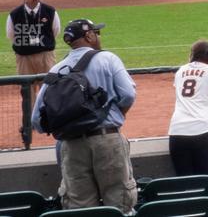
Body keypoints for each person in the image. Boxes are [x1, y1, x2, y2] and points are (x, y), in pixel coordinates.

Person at [31, 19, 137, 212]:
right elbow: (128, 94)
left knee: (81, 209)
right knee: (119, 205)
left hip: (71, 147)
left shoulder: (56, 70)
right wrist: (116, 114)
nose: (98, 36)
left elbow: (36, 120)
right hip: (107, 139)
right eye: (96, 32)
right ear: (88, 36)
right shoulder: (108, 59)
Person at [168, 40, 208, 176]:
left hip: (176, 131)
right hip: (202, 131)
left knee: (184, 181)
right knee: (205, 180)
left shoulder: (180, 71)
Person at [8, 0, 61, 77]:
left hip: (45, 56)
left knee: (47, 88)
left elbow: (55, 31)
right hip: (24, 57)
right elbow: (11, 35)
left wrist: (43, 42)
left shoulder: (50, 11)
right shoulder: (15, 14)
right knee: (27, 89)